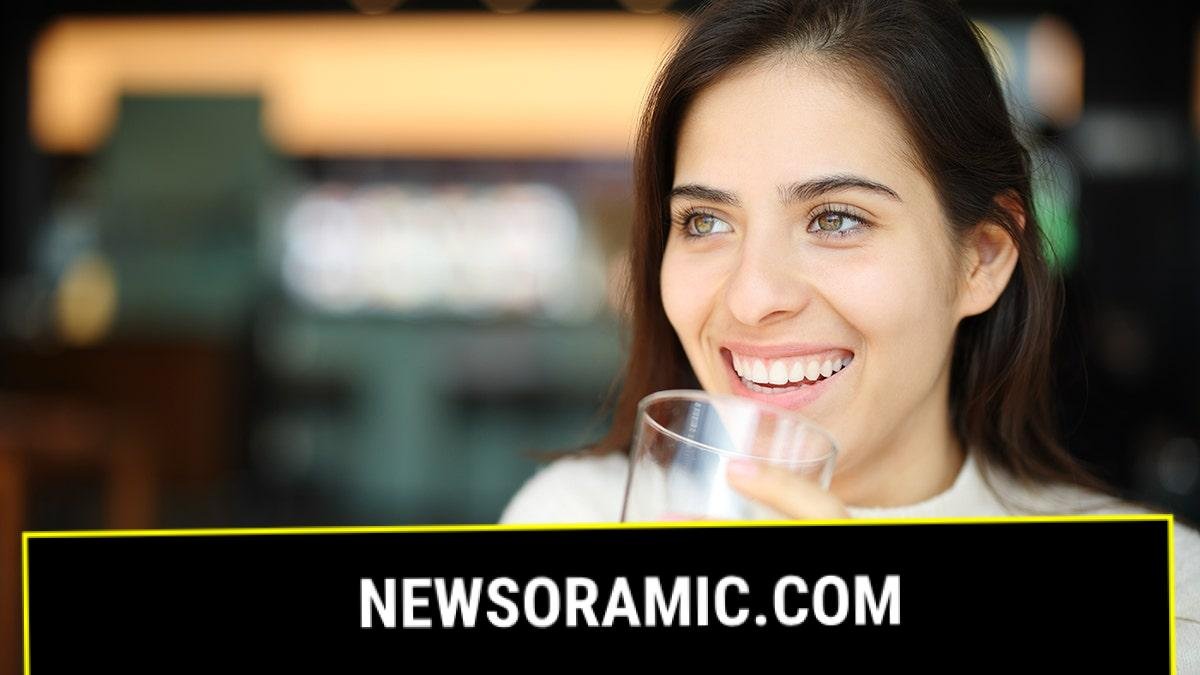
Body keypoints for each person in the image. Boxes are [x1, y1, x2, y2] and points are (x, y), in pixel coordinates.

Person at [497, 0, 1198, 663]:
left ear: (981, 257)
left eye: (836, 218)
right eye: (704, 222)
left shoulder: (1177, 603)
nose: (752, 297)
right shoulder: (573, 517)